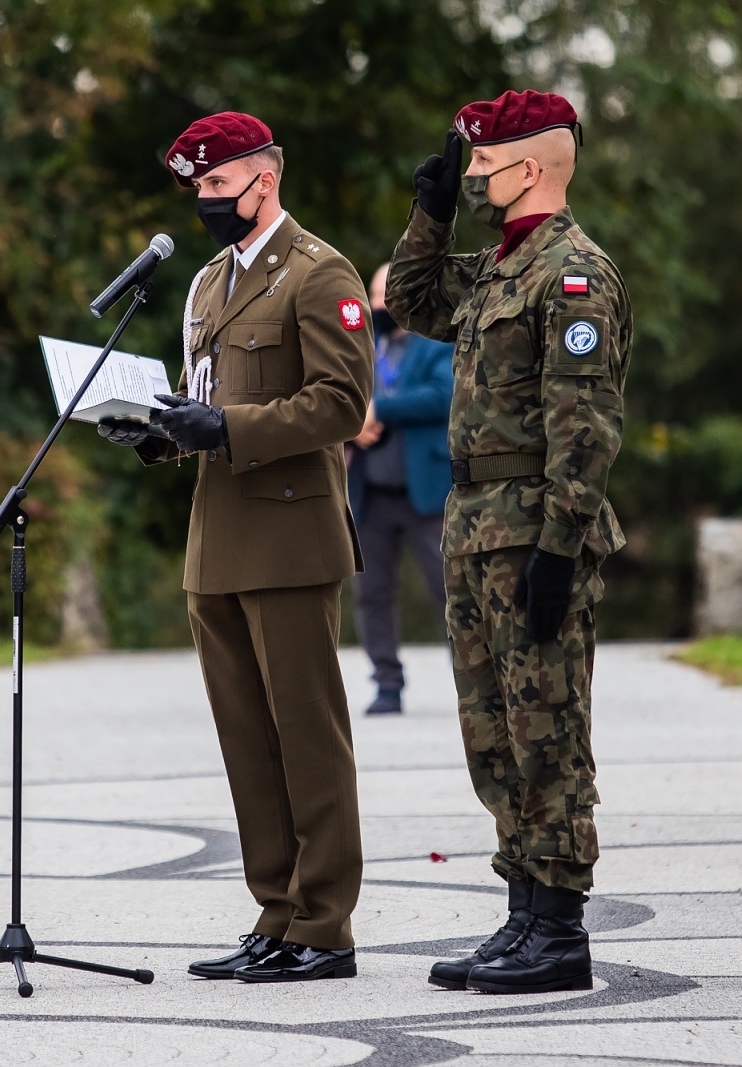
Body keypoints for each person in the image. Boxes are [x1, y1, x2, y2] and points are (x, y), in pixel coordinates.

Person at [97, 112, 373, 982]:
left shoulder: (319, 272)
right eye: (198, 189)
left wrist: (224, 426)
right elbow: (206, 398)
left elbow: (339, 403)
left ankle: (325, 926)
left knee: (307, 738)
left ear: (265, 177)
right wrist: (166, 431)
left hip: (291, 536)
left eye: (216, 185)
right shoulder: (209, 283)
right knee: (248, 742)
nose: (205, 202)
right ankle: (276, 912)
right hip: (216, 540)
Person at [386, 89, 631, 994]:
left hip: (535, 534)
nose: (475, 175)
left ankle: (560, 931)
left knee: (548, 731)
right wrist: (431, 208)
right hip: (476, 527)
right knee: (493, 734)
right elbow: (412, 297)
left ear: (532, 166)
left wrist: (561, 549)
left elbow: (586, 427)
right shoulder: (499, 268)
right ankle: (523, 911)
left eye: (484, 164)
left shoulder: (574, 275)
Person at [350, 264, 455, 715]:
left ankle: (473, 682)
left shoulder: (436, 340)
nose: (379, 306)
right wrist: (354, 421)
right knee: (371, 592)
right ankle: (386, 684)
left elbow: (444, 394)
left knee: (449, 591)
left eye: (387, 295)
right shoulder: (361, 346)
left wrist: (380, 409)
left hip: (427, 493)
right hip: (370, 492)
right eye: (374, 296)